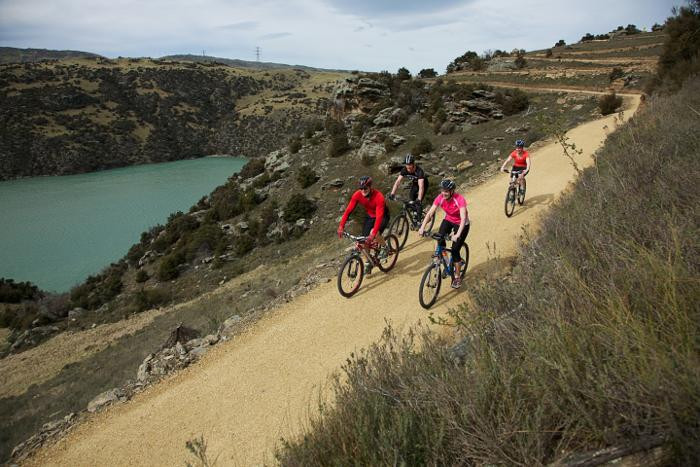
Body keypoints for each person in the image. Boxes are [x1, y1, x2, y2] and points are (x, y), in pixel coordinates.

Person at [418, 179, 469, 289]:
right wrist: (422, 227)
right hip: (449, 220)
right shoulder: (440, 198)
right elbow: (430, 213)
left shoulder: (459, 199)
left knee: (455, 250)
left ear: (452, 191)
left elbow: (464, 218)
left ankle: (457, 277)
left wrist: (457, 235)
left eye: (446, 191)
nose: (443, 193)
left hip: (462, 224)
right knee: (439, 238)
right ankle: (444, 262)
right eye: (442, 190)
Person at [337, 176, 390, 271]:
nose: (363, 190)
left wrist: (373, 234)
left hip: (382, 216)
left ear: (370, 187)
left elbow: (379, 217)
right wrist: (341, 226)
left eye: (365, 188)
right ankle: (368, 261)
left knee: (374, 232)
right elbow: (348, 211)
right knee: (364, 240)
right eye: (361, 188)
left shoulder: (379, 197)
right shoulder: (357, 195)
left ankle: (385, 247)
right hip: (370, 216)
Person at [388, 154, 428, 224]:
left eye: (409, 164)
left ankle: (419, 221)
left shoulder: (419, 171)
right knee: (411, 197)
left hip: (423, 184)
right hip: (415, 184)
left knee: (418, 202)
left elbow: (421, 187)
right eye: (406, 164)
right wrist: (392, 193)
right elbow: (397, 182)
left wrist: (419, 199)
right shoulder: (404, 170)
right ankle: (415, 213)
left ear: (413, 164)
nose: (408, 166)